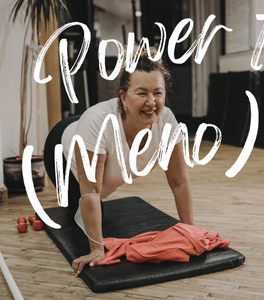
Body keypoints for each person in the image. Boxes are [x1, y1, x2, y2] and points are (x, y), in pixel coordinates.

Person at [44, 47, 194, 277]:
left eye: (158, 93)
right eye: (142, 93)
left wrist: (189, 231)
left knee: (100, 208)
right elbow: (92, 191)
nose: (152, 102)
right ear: (123, 96)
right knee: (82, 216)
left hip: (90, 135)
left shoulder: (167, 122)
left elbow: (179, 183)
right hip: (62, 148)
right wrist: (96, 249)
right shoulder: (99, 122)